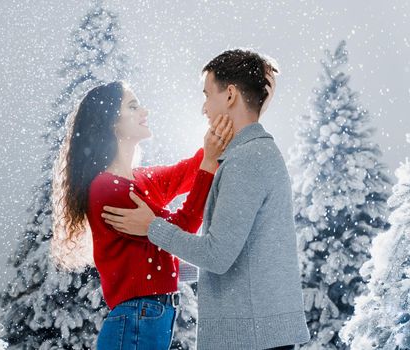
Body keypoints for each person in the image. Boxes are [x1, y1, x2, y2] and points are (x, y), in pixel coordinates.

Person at [101, 49, 311, 350]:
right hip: (258, 335)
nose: (204, 108)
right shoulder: (251, 154)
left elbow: (216, 256)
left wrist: (152, 227)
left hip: (250, 340)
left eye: (207, 94)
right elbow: (236, 257)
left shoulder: (246, 160)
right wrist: (157, 269)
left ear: (229, 96)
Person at [49, 80, 236, 350]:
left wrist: (224, 124)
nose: (144, 111)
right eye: (133, 106)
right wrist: (209, 162)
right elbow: (180, 229)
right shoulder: (107, 189)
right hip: (137, 320)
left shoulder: (141, 180)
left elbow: (189, 172)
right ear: (111, 122)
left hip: (146, 318)